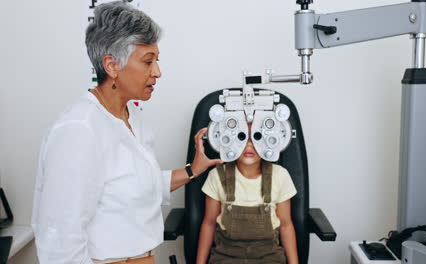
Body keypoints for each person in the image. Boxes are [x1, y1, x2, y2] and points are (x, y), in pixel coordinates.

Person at [31, 2, 222, 264]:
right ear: (111, 65)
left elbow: (141, 186)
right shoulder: (79, 130)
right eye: (147, 62)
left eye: (157, 61)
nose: (158, 72)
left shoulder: (132, 117)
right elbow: (60, 238)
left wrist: (193, 169)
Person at [196, 125, 299, 264]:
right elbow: (209, 224)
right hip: (226, 256)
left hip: (269, 257)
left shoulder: (280, 175)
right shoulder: (217, 176)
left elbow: (286, 225)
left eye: (257, 137)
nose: (249, 144)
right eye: (242, 137)